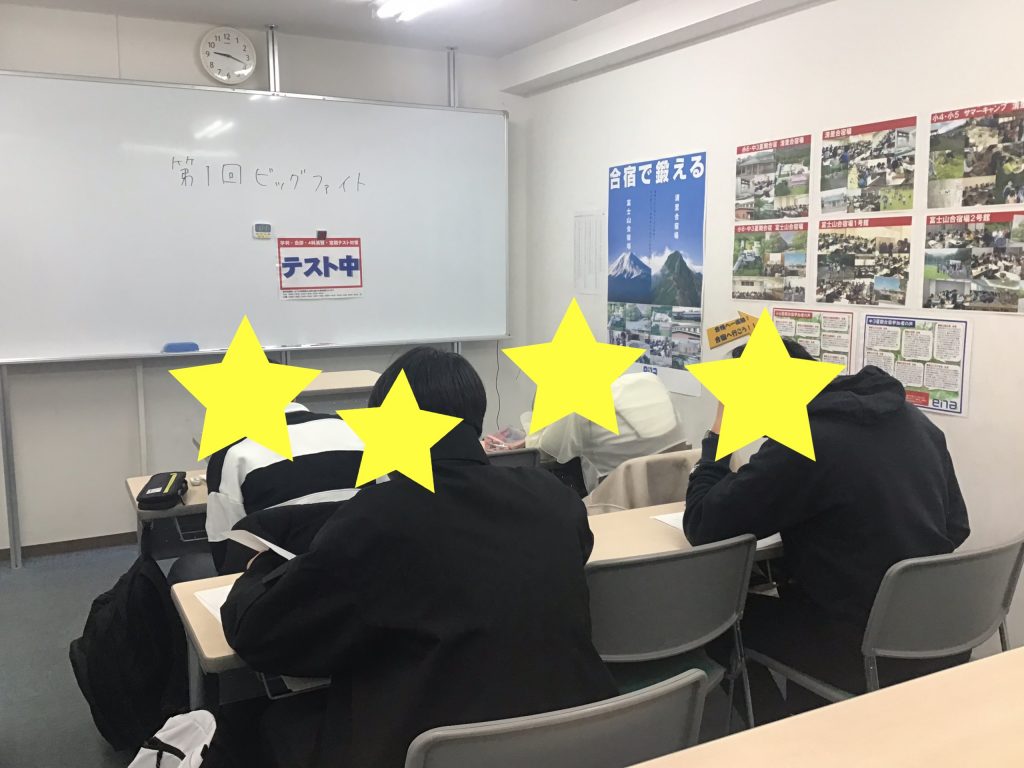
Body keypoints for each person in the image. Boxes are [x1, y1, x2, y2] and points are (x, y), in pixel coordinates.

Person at [215, 347, 617, 768]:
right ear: (476, 417)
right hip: (578, 740)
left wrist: (258, 567)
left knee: (267, 722)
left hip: (432, 751)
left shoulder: (374, 520)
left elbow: (260, 636)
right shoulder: (555, 498)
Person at [684, 340, 970, 720]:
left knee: (716, 619)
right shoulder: (911, 418)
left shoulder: (804, 443)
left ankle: (781, 731)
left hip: (866, 649)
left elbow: (703, 524)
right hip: (944, 628)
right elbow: (956, 527)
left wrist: (718, 436)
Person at [198, 401, 364, 575]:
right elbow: (380, 507)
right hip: (363, 571)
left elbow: (225, 546)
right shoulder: (357, 431)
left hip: (283, 581)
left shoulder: (232, 453)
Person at [504, 372, 687, 492]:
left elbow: (545, 451)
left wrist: (532, 433)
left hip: (614, 509)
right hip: (676, 497)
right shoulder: (650, 382)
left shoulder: (582, 410)